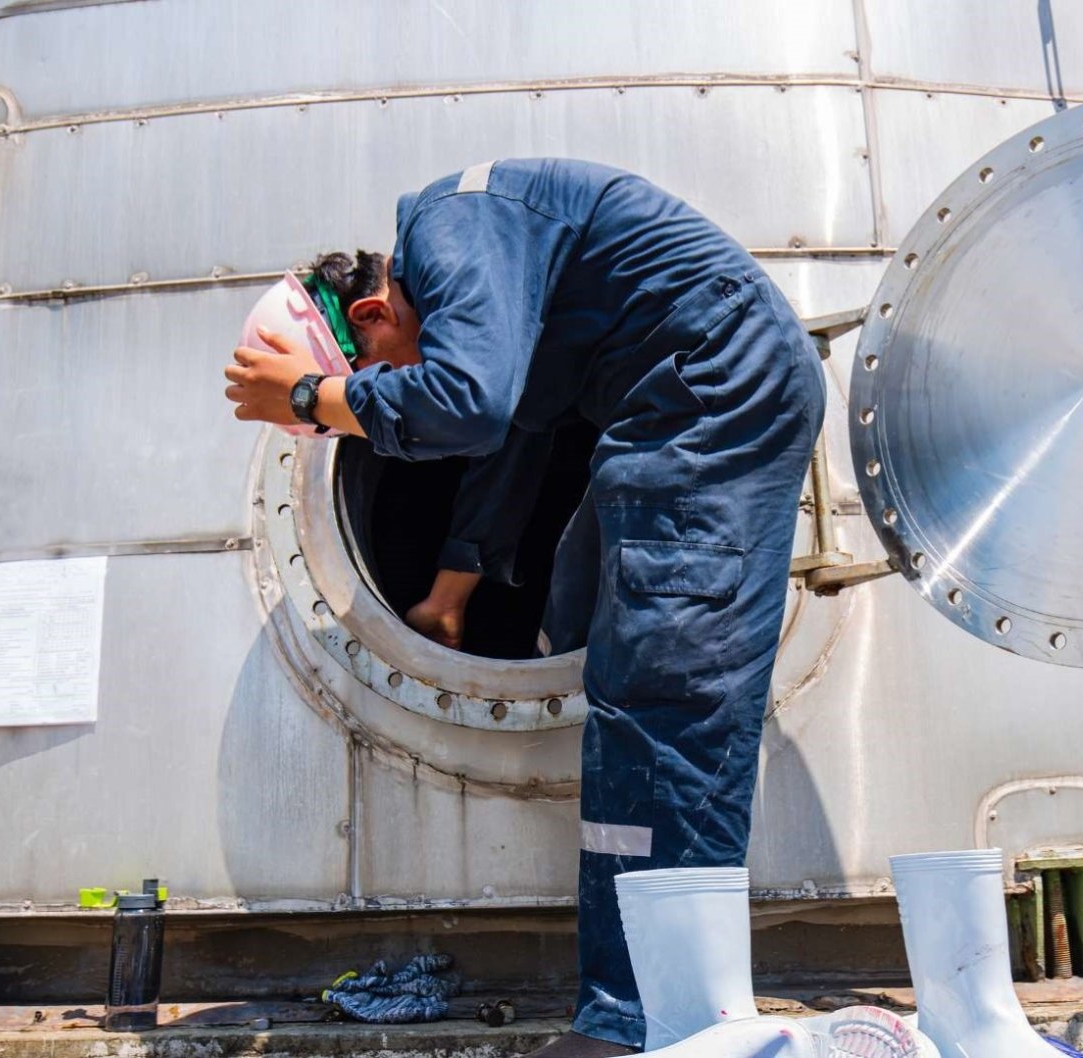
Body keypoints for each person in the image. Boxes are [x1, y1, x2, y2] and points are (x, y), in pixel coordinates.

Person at [222, 158, 825, 1056]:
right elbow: (508, 440)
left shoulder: (449, 229)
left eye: (380, 370)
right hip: (669, 412)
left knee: (667, 694)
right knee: (603, 649)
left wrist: (313, 398)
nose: (390, 389)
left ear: (371, 315)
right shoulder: (481, 270)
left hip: (710, 403)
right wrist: (451, 591)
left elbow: (466, 406)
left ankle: (656, 1022)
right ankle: (641, 1006)